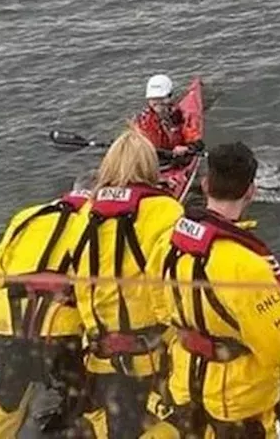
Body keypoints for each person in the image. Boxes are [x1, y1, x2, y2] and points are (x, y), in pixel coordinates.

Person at [146, 142, 280, 438]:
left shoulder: (169, 243)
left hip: (186, 382)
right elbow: (279, 347)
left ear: (205, 183)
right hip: (239, 399)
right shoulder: (249, 265)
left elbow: (158, 306)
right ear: (251, 191)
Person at [70, 128, 185, 438]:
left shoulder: (84, 214)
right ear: (149, 166)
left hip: (99, 351)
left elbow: (79, 279)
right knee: (176, 424)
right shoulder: (167, 210)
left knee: (118, 425)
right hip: (151, 353)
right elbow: (173, 281)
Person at [0, 175, 94, 438]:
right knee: (86, 397)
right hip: (62, 331)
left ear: (70, 192)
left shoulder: (28, 217)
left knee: (7, 400)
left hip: (9, 326)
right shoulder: (97, 221)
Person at [136, 75, 204, 160]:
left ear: (170, 97)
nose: (157, 103)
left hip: (176, 158)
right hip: (154, 160)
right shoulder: (141, 121)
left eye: (161, 98)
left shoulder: (181, 117)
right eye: (153, 99)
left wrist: (187, 148)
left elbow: (198, 143)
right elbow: (137, 145)